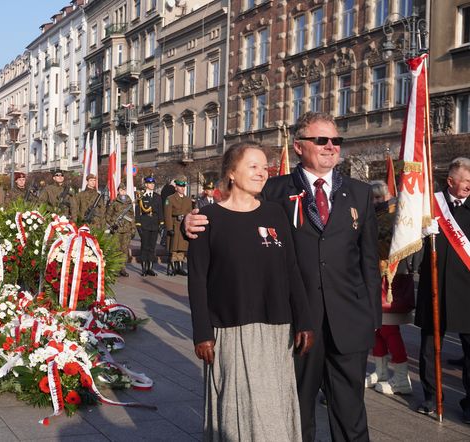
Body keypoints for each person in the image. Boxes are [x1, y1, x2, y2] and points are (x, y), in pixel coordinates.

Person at [184, 112, 380, 442]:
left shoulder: (359, 192)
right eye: (321, 140)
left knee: (351, 414)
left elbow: (369, 260)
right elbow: (232, 213)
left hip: (349, 320)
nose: (330, 147)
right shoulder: (273, 190)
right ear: (300, 145)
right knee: (296, 409)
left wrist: (372, 317)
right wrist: (188, 224)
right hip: (298, 321)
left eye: (336, 141)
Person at [188, 144, 314, 441]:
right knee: (237, 409)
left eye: (264, 166)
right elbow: (196, 280)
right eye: (253, 166)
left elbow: (291, 269)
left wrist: (304, 321)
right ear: (231, 173)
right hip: (230, 331)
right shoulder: (207, 219)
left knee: (273, 407)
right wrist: (202, 333)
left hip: (276, 329)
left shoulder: (276, 213)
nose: (262, 172)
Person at [415, 157, 470, 421]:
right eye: (467, 182)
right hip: (434, 285)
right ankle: (431, 396)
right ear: (451, 181)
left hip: (466, 289)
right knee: (429, 345)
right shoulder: (429, 204)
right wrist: (421, 231)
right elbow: (404, 237)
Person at [364, 181, 413, 395]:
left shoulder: (397, 217)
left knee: (389, 329)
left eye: (379, 197)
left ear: (388, 196)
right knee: (374, 328)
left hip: (390, 278)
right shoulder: (367, 216)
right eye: (372, 197)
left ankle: (402, 377)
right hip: (370, 277)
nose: (376, 201)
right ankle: (381, 370)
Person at [164, 175, 193, 276]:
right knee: (173, 248)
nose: (182, 188)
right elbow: (167, 214)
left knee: (181, 248)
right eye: (180, 186)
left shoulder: (188, 200)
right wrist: (169, 228)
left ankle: (180, 267)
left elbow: (190, 213)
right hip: (175, 224)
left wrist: (189, 227)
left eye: (184, 186)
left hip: (183, 226)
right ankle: (171, 267)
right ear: (176, 187)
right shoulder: (170, 198)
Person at [136, 176, 164, 277]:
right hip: (145, 223)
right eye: (150, 183)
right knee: (144, 247)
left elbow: (160, 211)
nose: (152, 185)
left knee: (152, 247)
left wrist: (161, 223)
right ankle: (144, 268)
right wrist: (138, 224)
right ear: (146, 184)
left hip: (154, 224)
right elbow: (138, 212)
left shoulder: (157, 196)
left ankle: (150, 268)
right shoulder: (141, 196)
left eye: (153, 183)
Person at [105, 183, 135, 277]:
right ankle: (116, 269)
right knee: (116, 249)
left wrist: (133, 228)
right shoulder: (114, 202)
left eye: (124, 190)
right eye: (121, 190)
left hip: (126, 230)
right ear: (118, 191)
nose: (123, 192)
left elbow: (132, 217)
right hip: (117, 229)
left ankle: (123, 268)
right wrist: (112, 224)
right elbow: (108, 215)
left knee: (124, 250)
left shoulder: (129, 202)